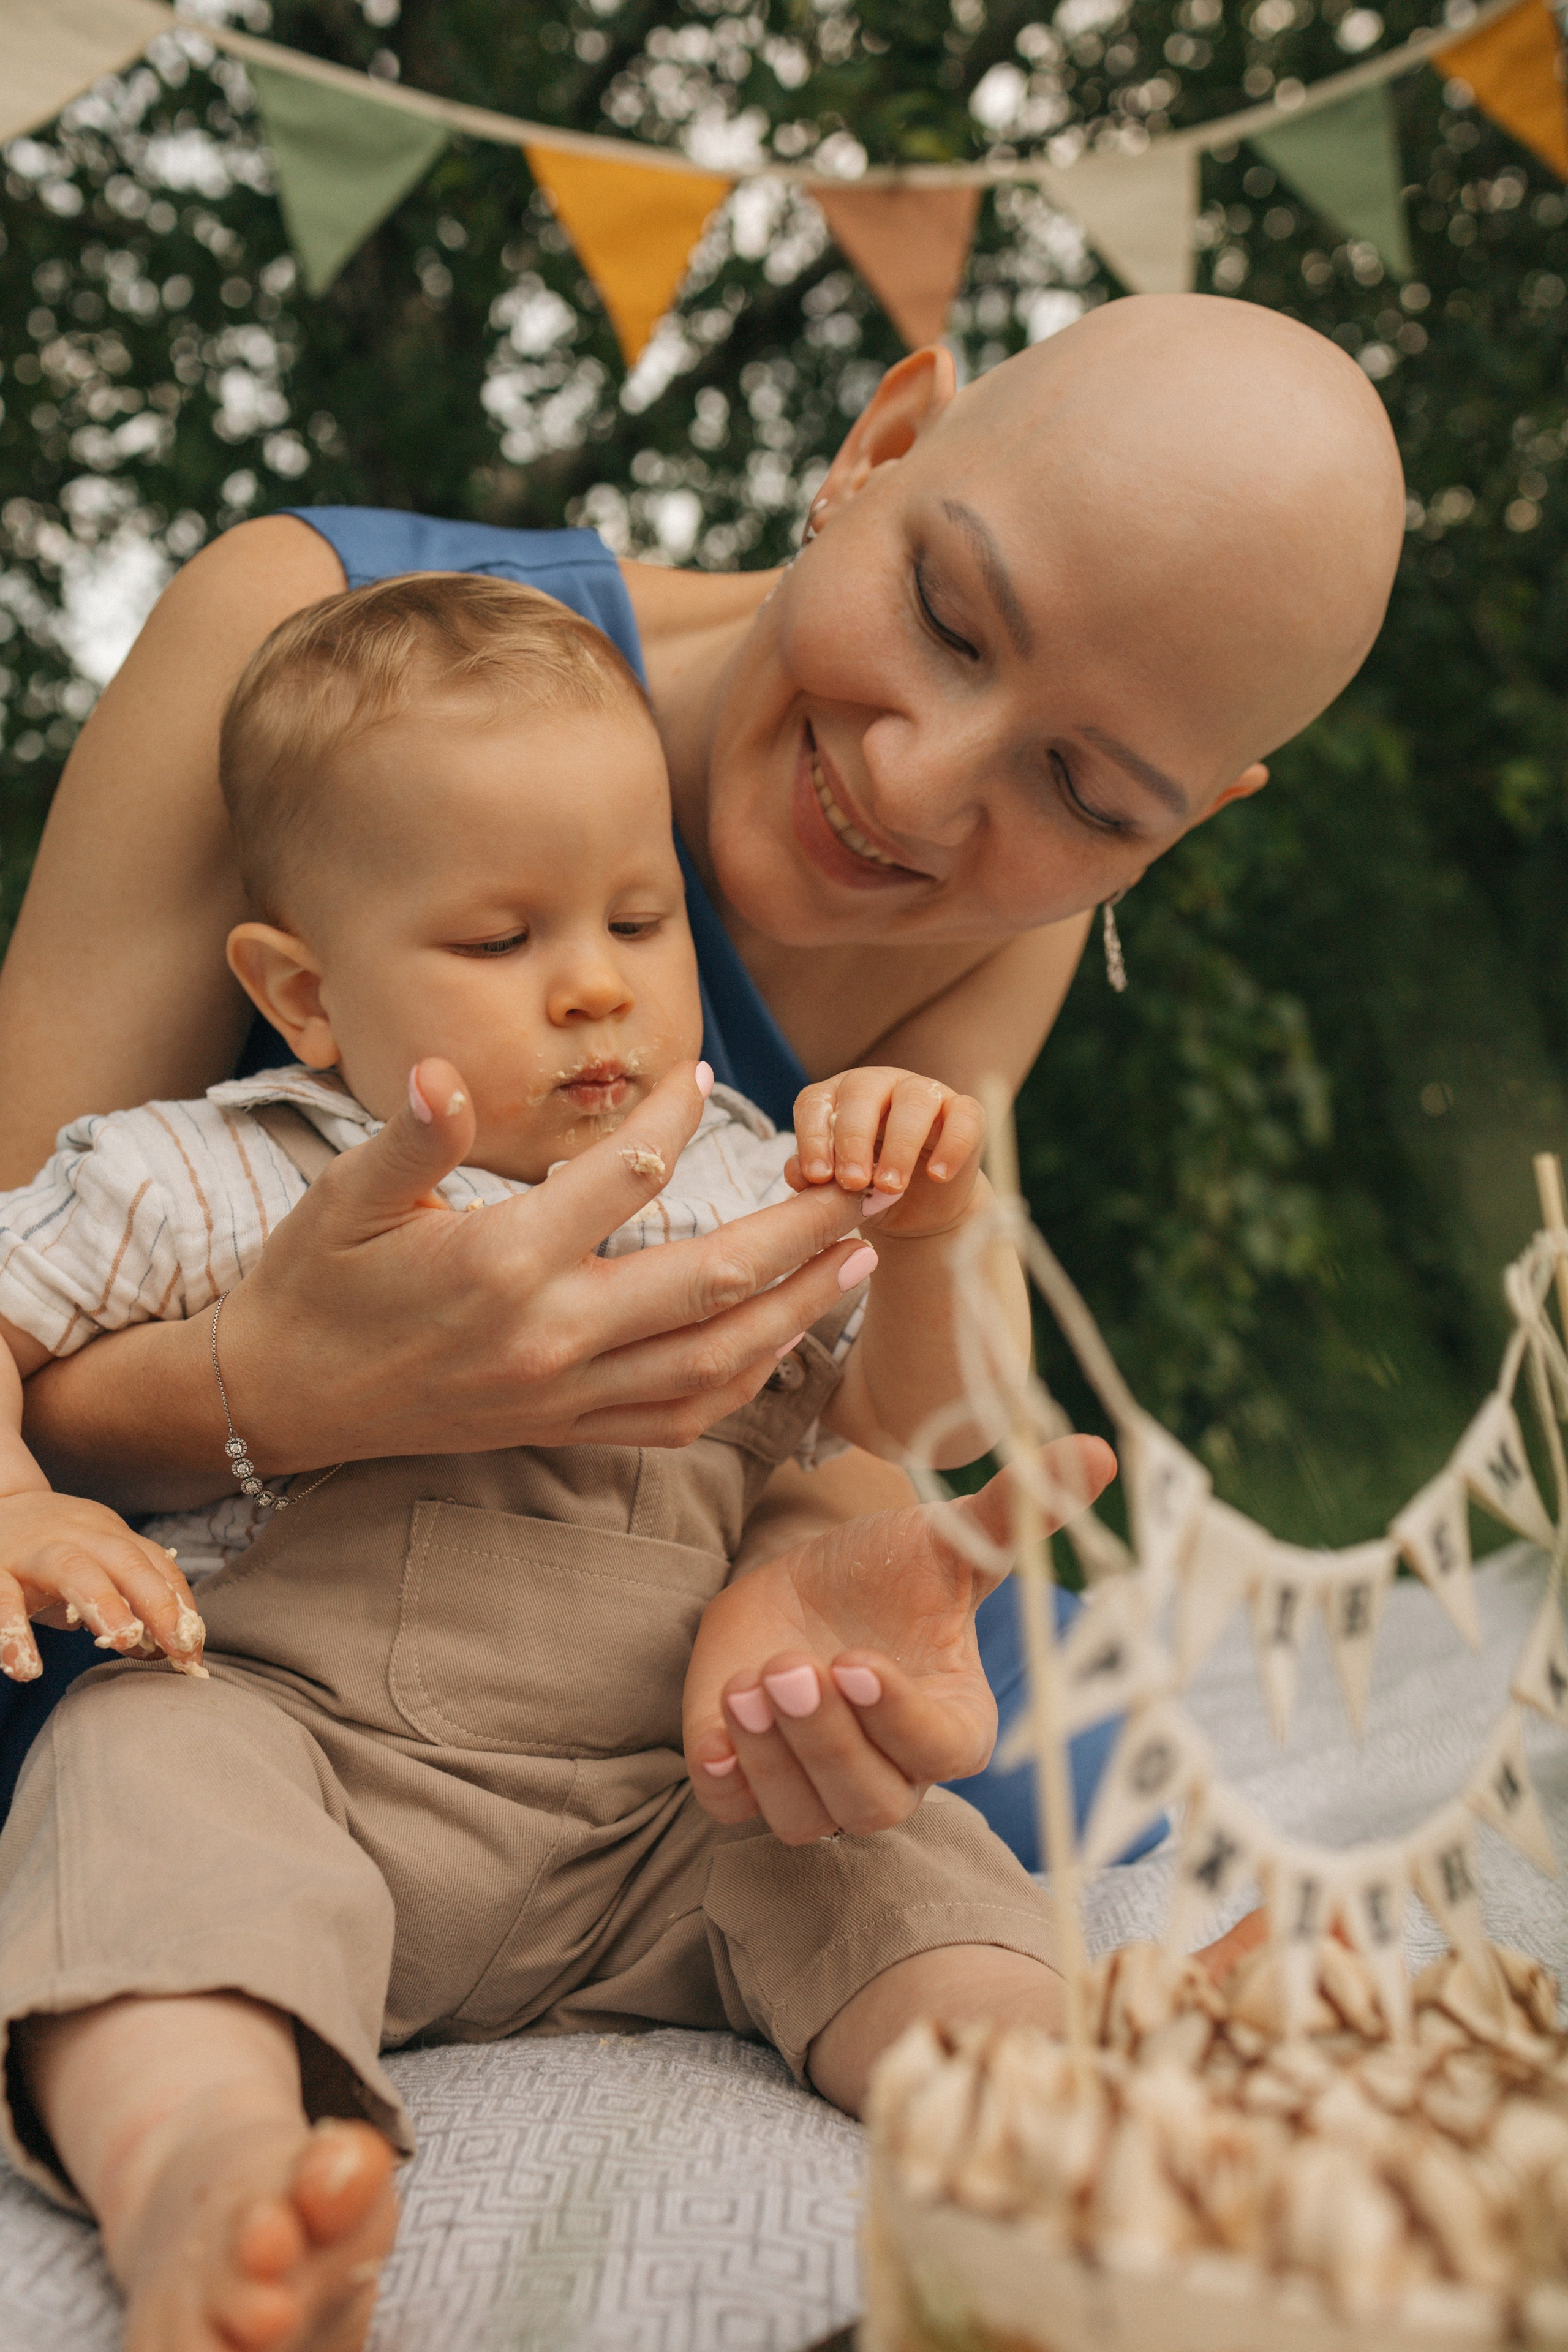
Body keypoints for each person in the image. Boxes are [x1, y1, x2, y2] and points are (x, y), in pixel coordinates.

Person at [0, 293, 1408, 1853]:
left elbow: (864, 1427)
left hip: (616, 1597)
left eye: (1083, 788)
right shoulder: (305, 634)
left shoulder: (1014, 921)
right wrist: (271, 1393)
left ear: (1186, 821)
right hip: (200, 1581)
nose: (916, 788)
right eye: (946, 619)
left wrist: (796, 1585)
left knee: (1057, 1749)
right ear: (875, 450)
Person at [0, 573, 1117, 2352]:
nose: (595, 986)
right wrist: (21, 1498)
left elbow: (881, 1430)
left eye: (639, 918)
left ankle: (1062, 2101)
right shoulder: (225, 1172)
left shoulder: (748, 1176)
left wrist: (917, 1239)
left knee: (881, 1844)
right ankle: (215, 2182)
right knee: (137, 1780)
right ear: (304, 996)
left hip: (668, 1808)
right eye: (501, 942)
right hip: (315, 1772)